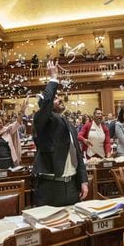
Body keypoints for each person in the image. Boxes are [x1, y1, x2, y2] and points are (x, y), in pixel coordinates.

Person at [33, 60, 88, 206]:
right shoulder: (41, 119)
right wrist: (53, 78)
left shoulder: (68, 124)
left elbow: (77, 154)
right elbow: (46, 103)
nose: (60, 98)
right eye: (56, 98)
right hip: (51, 187)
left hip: (72, 185)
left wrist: (83, 180)